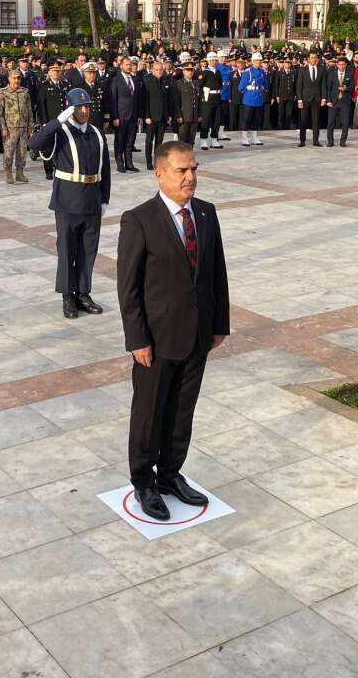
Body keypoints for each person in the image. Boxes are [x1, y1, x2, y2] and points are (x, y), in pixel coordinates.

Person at [117, 140, 229, 522]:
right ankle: (144, 481)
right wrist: (137, 339)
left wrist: (219, 325)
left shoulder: (206, 213)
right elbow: (128, 287)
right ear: (160, 174)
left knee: (183, 410)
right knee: (149, 413)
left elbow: (217, 274)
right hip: (157, 339)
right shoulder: (139, 219)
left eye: (194, 169)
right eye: (181, 171)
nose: (190, 177)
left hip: (197, 335)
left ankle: (170, 473)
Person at [28, 87, 111, 319]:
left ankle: (83, 293)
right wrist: (57, 121)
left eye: (87, 106)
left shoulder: (95, 133)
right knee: (67, 250)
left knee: (88, 250)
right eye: (79, 107)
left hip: (92, 199)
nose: (84, 111)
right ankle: (67, 295)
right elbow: (34, 144)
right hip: (67, 200)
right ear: (70, 108)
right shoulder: (61, 131)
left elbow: (105, 168)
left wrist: (105, 198)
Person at [0, 69, 34, 184]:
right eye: (14, 78)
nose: (17, 80)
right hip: (10, 128)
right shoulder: (3, 92)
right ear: (9, 79)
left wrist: (31, 124)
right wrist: (3, 127)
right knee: (9, 152)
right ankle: (8, 173)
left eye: (18, 78)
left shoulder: (25, 92)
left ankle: (20, 173)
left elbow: (29, 109)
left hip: (23, 127)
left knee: (22, 151)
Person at [108, 56, 142, 173]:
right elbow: (113, 100)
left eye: (130, 64)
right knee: (120, 141)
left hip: (133, 116)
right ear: (121, 66)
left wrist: (138, 116)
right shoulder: (115, 80)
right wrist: (115, 117)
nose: (129, 67)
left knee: (130, 141)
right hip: (121, 116)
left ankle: (129, 163)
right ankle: (120, 163)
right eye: (127, 65)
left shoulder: (135, 79)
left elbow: (137, 99)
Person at [141, 58, 173, 168]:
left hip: (163, 117)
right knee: (149, 141)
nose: (159, 71)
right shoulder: (147, 80)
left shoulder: (166, 80)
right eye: (157, 69)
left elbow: (168, 100)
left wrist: (168, 115)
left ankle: (157, 161)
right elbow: (145, 100)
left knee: (159, 141)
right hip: (151, 116)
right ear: (152, 70)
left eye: (160, 69)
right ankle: (149, 162)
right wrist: (146, 116)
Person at [296, 51, 327, 147]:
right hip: (305, 99)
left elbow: (323, 85)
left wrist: (324, 98)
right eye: (312, 57)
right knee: (303, 120)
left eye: (315, 57)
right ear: (308, 59)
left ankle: (316, 140)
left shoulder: (321, 69)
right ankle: (302, 140)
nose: (314, 59)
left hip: (317, 98)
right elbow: (299, 85)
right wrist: (299, 100)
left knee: (316, 120)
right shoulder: (302, 70)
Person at [238, 52, 268, 146]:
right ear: (252, 61)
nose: (258, 62)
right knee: (247, 118)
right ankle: (244, 138)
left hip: (258, 98)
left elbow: (265, 84)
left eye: (260, 60)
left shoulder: (262, 71)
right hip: (249, 98)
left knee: (257, 119)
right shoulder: (248, 71)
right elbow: (241, 87)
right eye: (257, 60)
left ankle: (254, 137)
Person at [325, 55, 354, 147]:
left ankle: (343, 141)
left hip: (345, 102)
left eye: (343, 64)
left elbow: (352, 87)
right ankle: (330, 141)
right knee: (331, 123)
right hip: (333, 101)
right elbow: (328, 88)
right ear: (337, 65)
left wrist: (346, 88)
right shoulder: (332, 73)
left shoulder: (350, 74)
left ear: (346, 65)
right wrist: (328, 100)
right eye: (339, 64)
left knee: (345, 123)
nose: (341, 66)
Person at [172, 61, 201, 145]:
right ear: (183, 71)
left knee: (192, 139)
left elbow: (199, 101)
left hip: (194, 116)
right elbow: (176, 102)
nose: (190, 72)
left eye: (191, 70)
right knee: (182, 139)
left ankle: (189, 157)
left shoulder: (196, 83)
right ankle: (182, 157)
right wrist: (178, 116)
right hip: (184, 116)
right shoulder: (179, 84)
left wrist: (200, 115)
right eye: (188, 70)